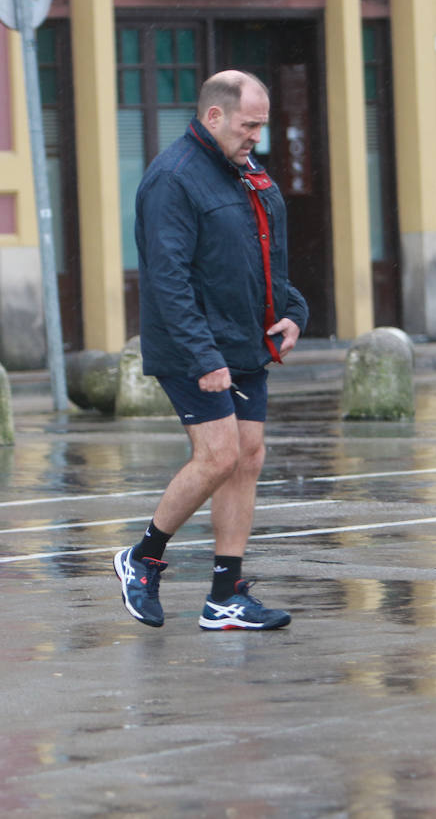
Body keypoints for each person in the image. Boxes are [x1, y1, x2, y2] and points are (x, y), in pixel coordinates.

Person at [113, 69, 309, 631]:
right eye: (249, 126)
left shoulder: (246, 174)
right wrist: (205, 358)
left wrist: (294, 313)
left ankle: (226, 596)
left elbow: (270, 263)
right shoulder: (172, 180)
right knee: (219, 456)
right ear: (215, 115)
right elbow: (166, 280)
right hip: (192, 348)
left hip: (244, 344)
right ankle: (142, 557)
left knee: (247, 459)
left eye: (261, 128)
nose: (256, 138)